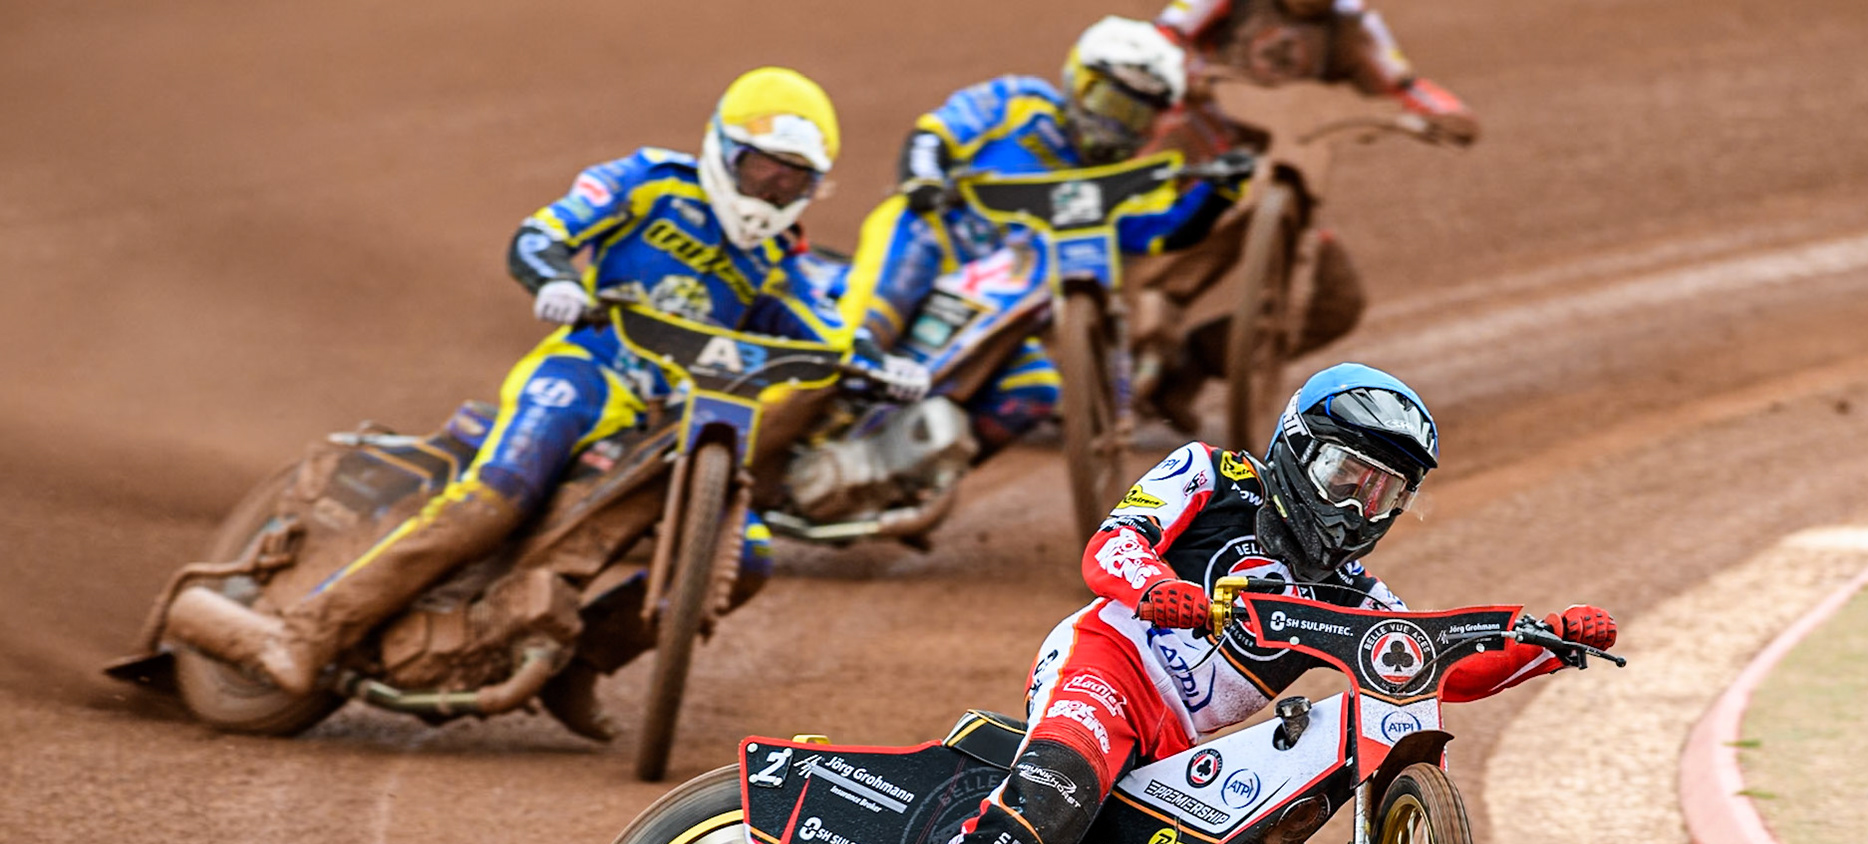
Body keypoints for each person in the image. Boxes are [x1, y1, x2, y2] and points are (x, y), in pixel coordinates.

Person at [805, 363, 1617, 844]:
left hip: (1182, 747)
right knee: (1058, 796)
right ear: (1296, 451)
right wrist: (1160, 587)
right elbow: (1110, 545)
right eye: (1344, 476)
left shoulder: (1356, 593)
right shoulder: (1210, 474)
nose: (1355, 510)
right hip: (1106, 667)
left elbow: (1428, 666)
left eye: (1382, 493)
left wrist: (1544, 646)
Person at [237, 67, 925, 735]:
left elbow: (831, 338)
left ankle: (578, 665)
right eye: (763, 169)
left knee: (745, 555)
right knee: (502, 494)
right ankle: (308, 628)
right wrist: (553, 275)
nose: (773, 189)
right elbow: (545, 232)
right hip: (590, 370)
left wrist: (882, 368)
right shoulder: (650, 182)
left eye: (793, 179)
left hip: (680, 416)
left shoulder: (782, 262)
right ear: (723, 150)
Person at [835, 16, 1247, 456]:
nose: (1118, 126)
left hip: (999, 314)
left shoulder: (1112, 184)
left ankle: (917, 482)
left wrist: (1220, 192)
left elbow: (1163, 234)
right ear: (1079, 82)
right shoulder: (1019, 102)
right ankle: (837, 368)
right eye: (1112, 103)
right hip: (935, 241)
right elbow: (937, 131)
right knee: (876, 315)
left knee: (1034, 393)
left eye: (1137, 116)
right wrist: (922, 180)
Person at [1137, 0, 1480, 433]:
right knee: (1147, 248)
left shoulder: (1351, 26)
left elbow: (1400, 84)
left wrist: (1444, 112)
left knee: (1334, 301)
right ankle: (1093, 359)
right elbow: (1162, 38)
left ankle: (1189, 366)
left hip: (1288, 175)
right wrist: (1185, 73)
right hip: (1197, 157)